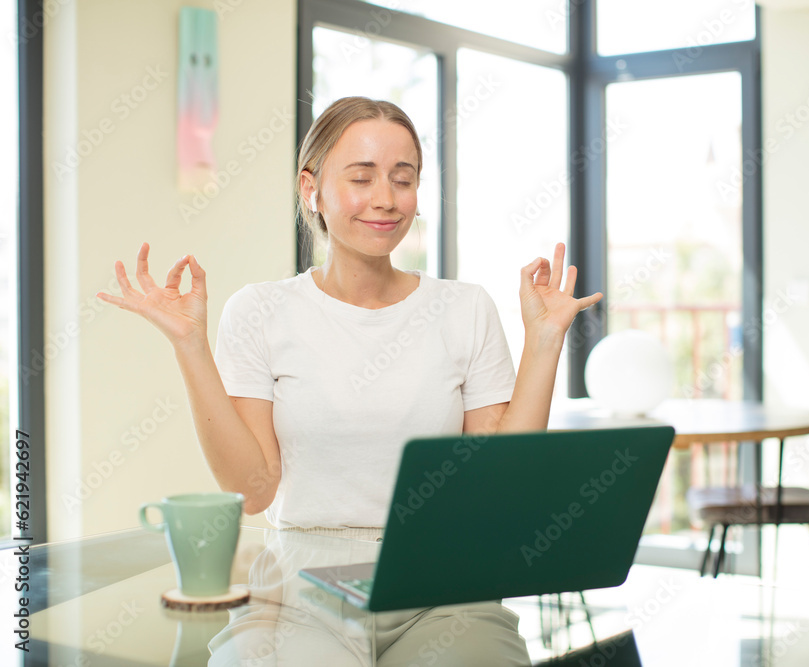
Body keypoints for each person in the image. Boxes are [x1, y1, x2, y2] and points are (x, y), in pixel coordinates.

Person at [98, 96, 602, 664]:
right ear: (311, 190)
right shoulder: (260, 310)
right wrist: (189, 344)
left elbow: (502, 484)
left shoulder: (465, 308)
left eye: (402, 179)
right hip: (298, 586)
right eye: (361, 178)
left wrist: (543, 341)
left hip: (443, 587)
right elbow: (254, 489)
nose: (385, 199)